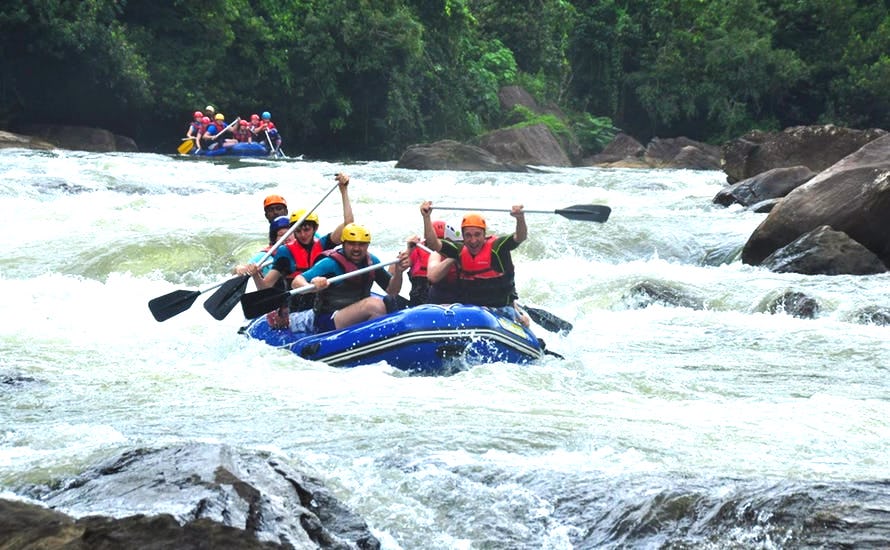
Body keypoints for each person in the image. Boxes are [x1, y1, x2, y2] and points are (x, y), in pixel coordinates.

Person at [250, 173, 354, 312]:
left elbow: (349, 225)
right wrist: (255, 274)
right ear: (293, 231)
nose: (303, 235)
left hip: (326, 306)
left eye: (307, 229)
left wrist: (343, 191)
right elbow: (265, 287)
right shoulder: (285, 252)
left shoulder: (323, 243)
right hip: (300, 312)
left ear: (314, 228)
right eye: (298, 231)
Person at [420, 201, 529, 324]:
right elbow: (433, 243)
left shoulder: (497, 247)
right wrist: (426, 217)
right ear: (463, 236)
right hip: (472, 311)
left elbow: (520, 237)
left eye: (477, 235)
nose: (473, 240)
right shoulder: (459, 251)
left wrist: (520, 218)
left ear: (484, 234)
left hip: (501, 310)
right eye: (468, 235)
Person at [291, 223, 409, 333]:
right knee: (374, 306)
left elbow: (392, 291)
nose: (356, 249)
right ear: (343, 244)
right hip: (329, 318)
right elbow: (297, 281)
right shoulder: (329, 263)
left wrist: (398, 272)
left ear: (367, 245)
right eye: (351, 244)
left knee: (389, 303)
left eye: (361, 244)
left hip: (356, 316)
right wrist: (311, 286)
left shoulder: (372, 262)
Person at [406, 220, 459, 306]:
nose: (436, 246)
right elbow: (392, 273)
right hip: (418, 304)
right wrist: (408, 250)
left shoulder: (455, 252)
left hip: (447, 302)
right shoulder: (416, 250)